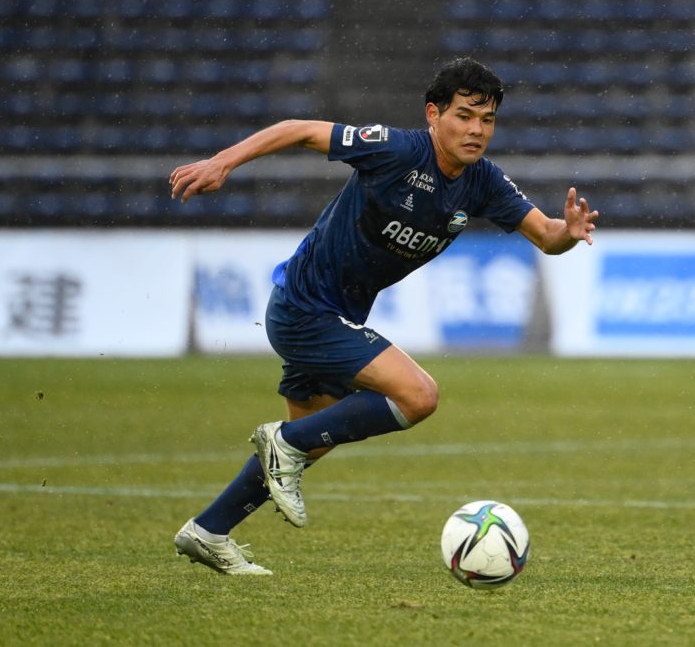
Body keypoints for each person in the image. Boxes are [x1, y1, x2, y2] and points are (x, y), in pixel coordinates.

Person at [168, 57, 599, 575]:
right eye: (464, 116)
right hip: (305, 309)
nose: (477, 130)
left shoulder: (482, 181)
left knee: (309, 442)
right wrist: (223, 162)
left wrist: (568, 232)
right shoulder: (396, 150)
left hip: (339, 315)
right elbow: (299, 129)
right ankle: (283, 444)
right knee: (418, 396)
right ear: (433, 114)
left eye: (487, 120)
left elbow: (546, 236)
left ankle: (209, 530)